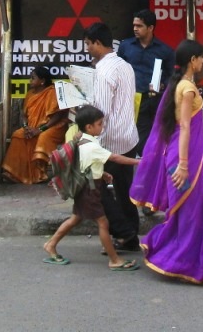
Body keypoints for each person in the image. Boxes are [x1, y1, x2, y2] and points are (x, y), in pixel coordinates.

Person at [130, 39, 203, 287]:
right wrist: (184, 165)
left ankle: (193, 259)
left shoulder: (181, 84)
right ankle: (182, 260)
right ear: (192, 61)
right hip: (186, 158)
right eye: (201, 58)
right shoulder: (187, 89)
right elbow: (184, 126)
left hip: (188, 154)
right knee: (192, 213)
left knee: (191, 212)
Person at [42, 105, 141, 271]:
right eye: (100, 124)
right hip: (90, 191)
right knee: (103, 223)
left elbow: (86, 164)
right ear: (89, 127)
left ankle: (50, 244)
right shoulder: (92, 146)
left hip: (86, 189)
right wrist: (139, 161)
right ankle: (114, 259)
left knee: (75, 219)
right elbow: (115, 158)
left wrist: (102, 174)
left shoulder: (81, 140)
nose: (102, 127)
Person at [84, 21, 141, 252]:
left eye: (88, 44)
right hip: (128, 136)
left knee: (94, 191)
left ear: (98, 43)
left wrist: (92, 140)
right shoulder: (125, 65)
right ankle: (131, 236)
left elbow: (101, 113)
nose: (87, 48)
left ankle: (124, 232)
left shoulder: (103, 71)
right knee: (124, 190)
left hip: (109, 139)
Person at [116, 9, 173, 153]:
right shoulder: (125, 46)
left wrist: (163, 84)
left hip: (151, 100)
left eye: (139, 26)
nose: (135, 28)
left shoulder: (165, 50)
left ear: (151, 28)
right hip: (129, 98)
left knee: (147, 138)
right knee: (125, 136)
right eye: (134, 25)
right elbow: (117, 70)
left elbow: (173, 75)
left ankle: (145, 164)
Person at [1, 66, 68, 185]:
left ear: (42, 81)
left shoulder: (51, 92)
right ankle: (14, 173)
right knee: (18, 135)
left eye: (33, 78)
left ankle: (39, 174)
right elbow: (24, 114)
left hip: (52, 127)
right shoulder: (30, 94)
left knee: (42, 138)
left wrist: (40, 129)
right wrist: (26, 127)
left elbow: (57, 116)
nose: (29, 81)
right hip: (32, 127)